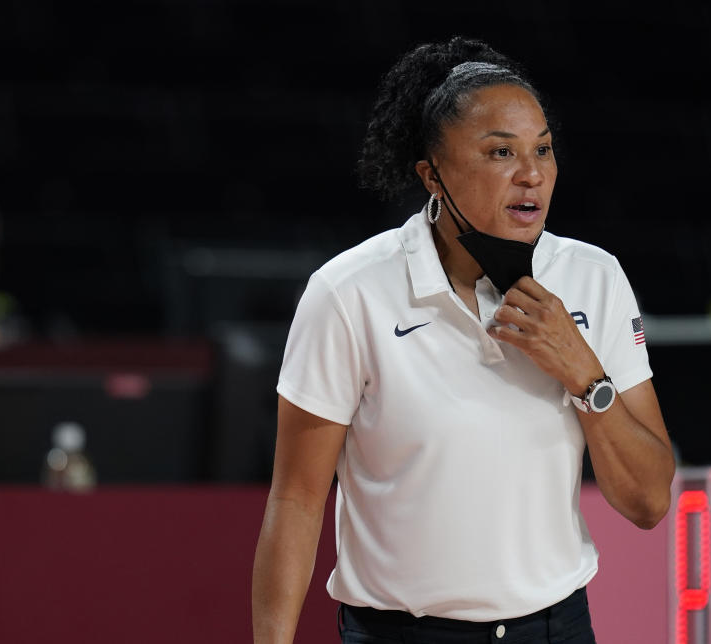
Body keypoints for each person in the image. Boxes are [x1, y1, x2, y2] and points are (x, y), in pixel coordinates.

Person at [252, 37, 675, 644]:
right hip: (400, 633)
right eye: (500, 151)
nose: (531, 173)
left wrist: (584, 373)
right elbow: (295, 501)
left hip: (555, 629)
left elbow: (649, 501)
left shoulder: (593, 278)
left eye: (544, 150)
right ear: (433, 174)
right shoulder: (349, 293)